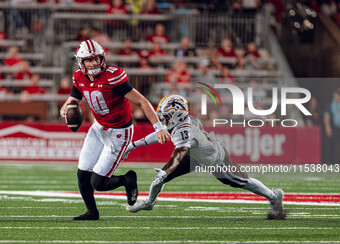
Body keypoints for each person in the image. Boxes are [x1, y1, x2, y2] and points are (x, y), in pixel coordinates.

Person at [124, 95, 285, 220]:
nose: (162, 118)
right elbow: (161, 135)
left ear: (177, 115)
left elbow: (179, 152)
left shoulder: (184, 130)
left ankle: (274, 196)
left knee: (240, 181)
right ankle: (149, 203)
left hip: (213, 158)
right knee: (160, 178)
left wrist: (166, 171)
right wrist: (133, 145)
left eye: (166, 115)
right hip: (194, 154)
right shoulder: (181, 122)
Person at [60, 40, 171, 221]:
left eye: (97, 58)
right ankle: (92, 212)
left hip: (119, 132)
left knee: (98, 183)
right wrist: (65, 109)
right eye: (89, 60)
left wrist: (158, 128)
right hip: (98, 128)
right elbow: (73, 99)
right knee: (82, 173)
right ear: (81, 62)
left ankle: (127, 179)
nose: (95, 63)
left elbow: (142, 101)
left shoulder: (113, 76)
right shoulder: (79, 77)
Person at [324, 88, 340, 164]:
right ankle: (335, 163)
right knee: (335, 146)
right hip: (335, 128)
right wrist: (328, 127)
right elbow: (327, 116)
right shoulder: (331, 104)